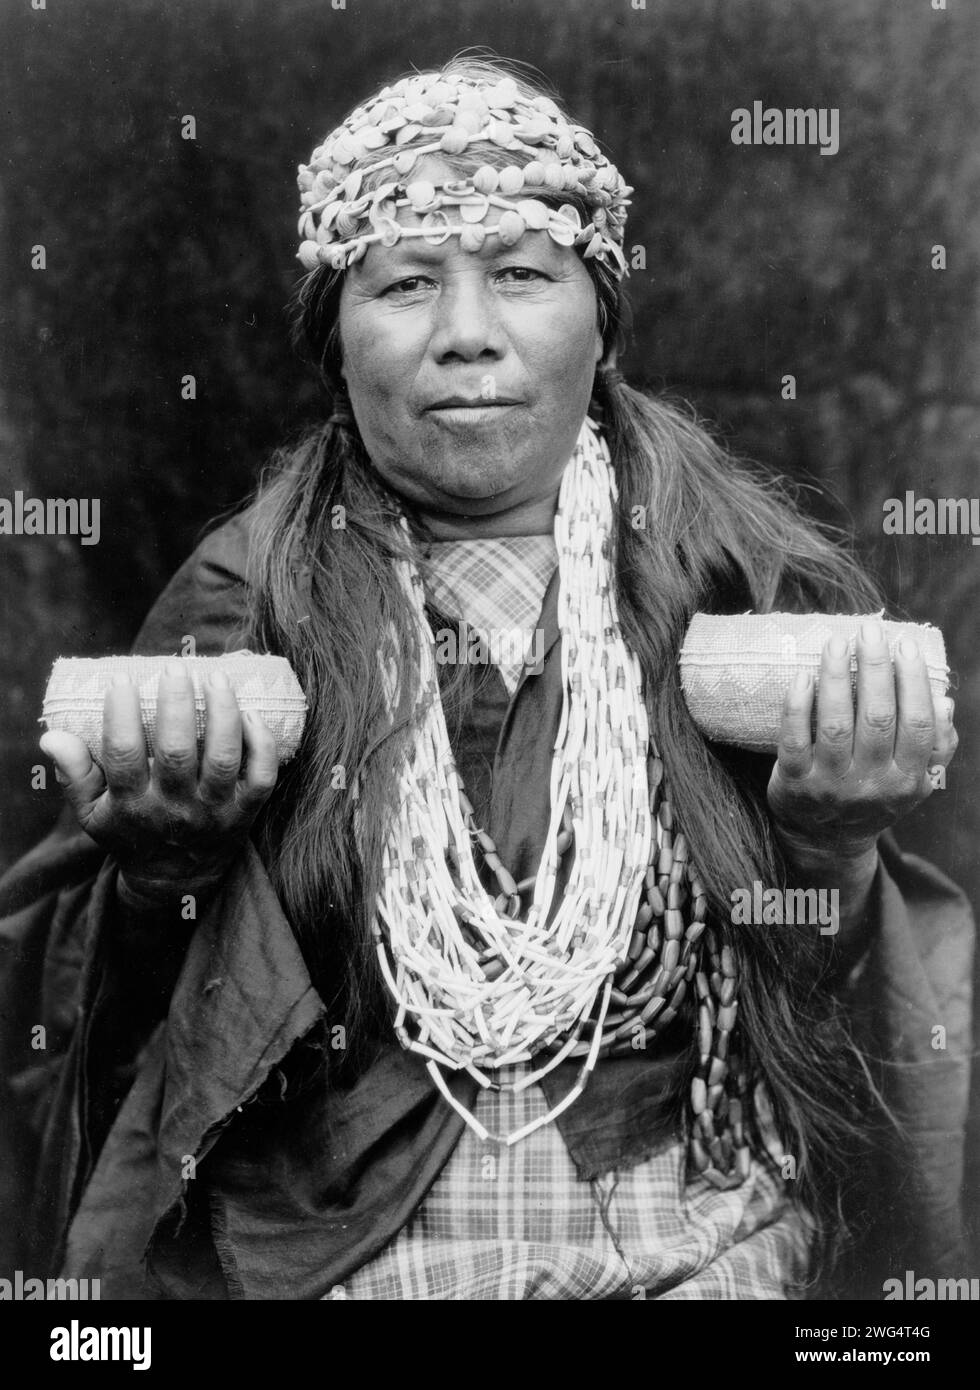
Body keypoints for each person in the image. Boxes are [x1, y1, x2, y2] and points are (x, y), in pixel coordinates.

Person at [0, 55, 972, 1301]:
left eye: (520, 273)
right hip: (340, 1255)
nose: (466, 333)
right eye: (405, 282)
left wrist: (829, 852)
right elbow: (113, 1030)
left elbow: (841, 1000)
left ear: (601, 317)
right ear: (333, 341)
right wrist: (162, 873)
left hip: (698, 1242)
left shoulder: (738, 580)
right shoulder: (243, 605)